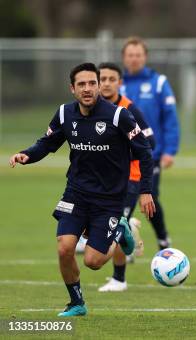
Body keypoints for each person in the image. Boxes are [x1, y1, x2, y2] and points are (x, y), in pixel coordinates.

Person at [8, 63, 155, 316]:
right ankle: (77, 303)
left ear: (98, 86)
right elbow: (47, 143)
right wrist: (27, 155)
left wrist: (145, 190)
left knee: (93, 262)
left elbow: (144, 152)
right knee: (64, 247)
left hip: (109, 199)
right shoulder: (65, 114)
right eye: (81, 85)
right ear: (72, 89)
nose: (87, 89)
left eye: (92, 83)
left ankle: (121, 228)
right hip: (75, 193)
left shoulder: (119, 116)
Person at [97, 62, 155, 292]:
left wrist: (119, 152)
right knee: (112, 225)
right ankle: (127, 226)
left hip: (130, 178)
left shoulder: (130, 109)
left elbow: (149, 143)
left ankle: (119, 280)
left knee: (114, 227)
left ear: (120, 83)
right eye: (103, 79)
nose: (107, 83)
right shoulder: (93, 110)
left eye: (112, 79)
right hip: (103, 181)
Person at [121, 36, 179, 250]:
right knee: (120, 200)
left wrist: (170, 150)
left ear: (145, 57)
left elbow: (170, 118)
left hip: (150, 155)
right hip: (121, 157)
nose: (134, 59)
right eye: (130, 55)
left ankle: (163, 238)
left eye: (138, 55)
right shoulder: (115, 84)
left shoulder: (158, 83)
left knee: (149, 197)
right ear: (124, 58)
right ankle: (125, 243)